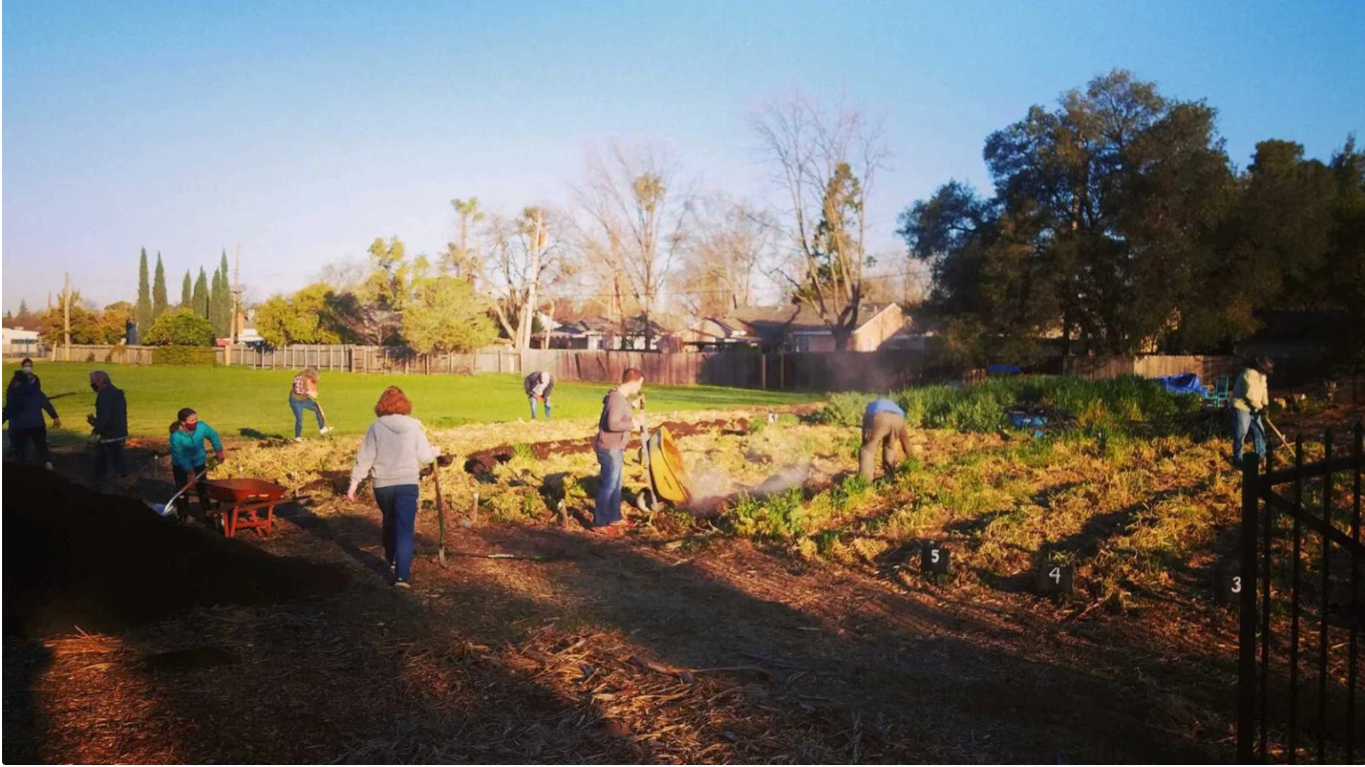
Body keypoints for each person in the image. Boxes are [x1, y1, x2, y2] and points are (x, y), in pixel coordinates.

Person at [346, 386, 440, 588]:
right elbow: (425, 456)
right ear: (405, 404)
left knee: (389, 521)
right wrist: (435, 452)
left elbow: (365, 457)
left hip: (383, 485)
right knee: (405, 528)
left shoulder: (375, 427)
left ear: (381, 405)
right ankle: (402, 577)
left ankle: (392, 559)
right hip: (407, 483)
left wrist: (353, 485)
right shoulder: (415, 426)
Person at [592, 368, 645, 535]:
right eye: (639, 384)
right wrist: (633, 425)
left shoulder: (621, 399)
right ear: (632, 383)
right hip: (609, 448)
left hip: (617, 447)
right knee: (608, 486)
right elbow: (612, 424)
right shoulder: (616, 399)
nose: (639, 388)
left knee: (616, 485)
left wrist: (632, 405)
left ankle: (614, 517)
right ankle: (599, 523)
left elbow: (621, 408)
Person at [167, 408, 225, 521]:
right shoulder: (176, 437)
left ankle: (208, 514)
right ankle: (183, 515)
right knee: (182, 490)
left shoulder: (201, 427)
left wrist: (218, 450)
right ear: (183, 422)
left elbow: (213, 435)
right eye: (192, 421)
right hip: (180, 466)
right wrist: (190, 473)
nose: (195, 423)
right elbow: (181, 456)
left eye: (196, 420)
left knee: (202, 489)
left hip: (198, 462)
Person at [3, 370, 60, 469]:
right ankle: (48, 463)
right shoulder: (36, 390)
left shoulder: (14, 392)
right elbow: (46, 404)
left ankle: (22, 468)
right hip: (38, 424)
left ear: (16, 380)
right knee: (41, 445)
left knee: (20, 449)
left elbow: (10, 409)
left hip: (21, 426)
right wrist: (55, 417)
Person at [86, 370, 129, 483]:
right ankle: (102, 479)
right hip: (120, 431)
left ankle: (121, 480)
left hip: (110, 434)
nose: (91, 385)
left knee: (114, 460)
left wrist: (95, 430)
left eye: (92, 382)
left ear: (100, 381)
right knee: (103, 458)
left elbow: (105, 416)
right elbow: (114, 414)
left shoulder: (104, 395)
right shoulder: (115, 392)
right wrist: (96, 422)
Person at [1231, 356, 1273, 467]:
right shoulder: (1248, 374)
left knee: (1259, 431)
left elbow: (1264, 391)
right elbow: (1251, 396)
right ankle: (1237, 459)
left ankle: (1261, 455)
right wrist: (1260, 407)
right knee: (1241, 432)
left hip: (1255, 408)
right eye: (1265, 369)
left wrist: (1266, 404)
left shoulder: (1262, 377)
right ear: (1260, 366)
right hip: (1242, 407)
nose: (1266, 372)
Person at [860, 398, 913, 481]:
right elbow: (905, 439)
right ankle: (890, 477)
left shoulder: (870, 408)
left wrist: (866, 442)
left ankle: (865, 482)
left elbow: (866, 432)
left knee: (867, 450)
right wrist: (912, 458)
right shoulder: (896, 409)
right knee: (889, 447)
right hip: (899, 419)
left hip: (880, 416)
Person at [289, 367, 333, 442]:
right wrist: (309, 393)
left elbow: (312, 388)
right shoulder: (299, 378)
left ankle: (322, 428)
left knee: (318, 409)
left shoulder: (310, 379)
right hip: (296, 400)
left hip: (305, 399)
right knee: (299, 419)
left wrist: (314, 393)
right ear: (310, 373)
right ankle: (297, 437)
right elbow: (298, 390)